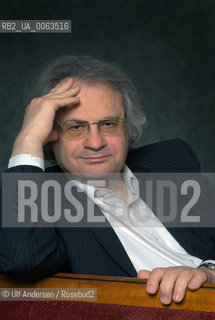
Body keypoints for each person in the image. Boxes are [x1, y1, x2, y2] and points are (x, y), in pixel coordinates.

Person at [0, 55, 215, 306]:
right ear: (50, 134)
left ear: (127, 126)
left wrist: (208, 271)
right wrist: (28, 138)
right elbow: (23, 260)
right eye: (75, 127)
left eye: (108, 123)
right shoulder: (36, 198)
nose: (95, 142)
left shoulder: (172, 159)